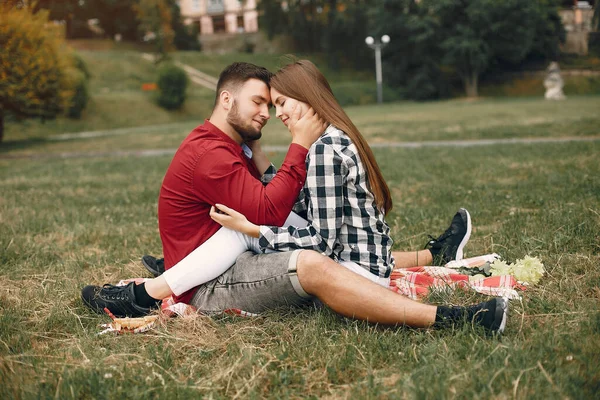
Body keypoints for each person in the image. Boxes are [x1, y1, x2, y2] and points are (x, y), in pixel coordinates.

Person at [82, 61, 507, 333]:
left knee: (264, 239)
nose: (270, 113)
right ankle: (154, 288)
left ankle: (150, 290)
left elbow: (282, 217)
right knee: (257, 236)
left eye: (277, 104)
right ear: (226, 98)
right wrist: (286, 158)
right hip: (214, 282)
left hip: (260, 265)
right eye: (262, 103)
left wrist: (279, 164)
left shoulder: (299, 149)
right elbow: (279, 210)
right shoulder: (217, 153)